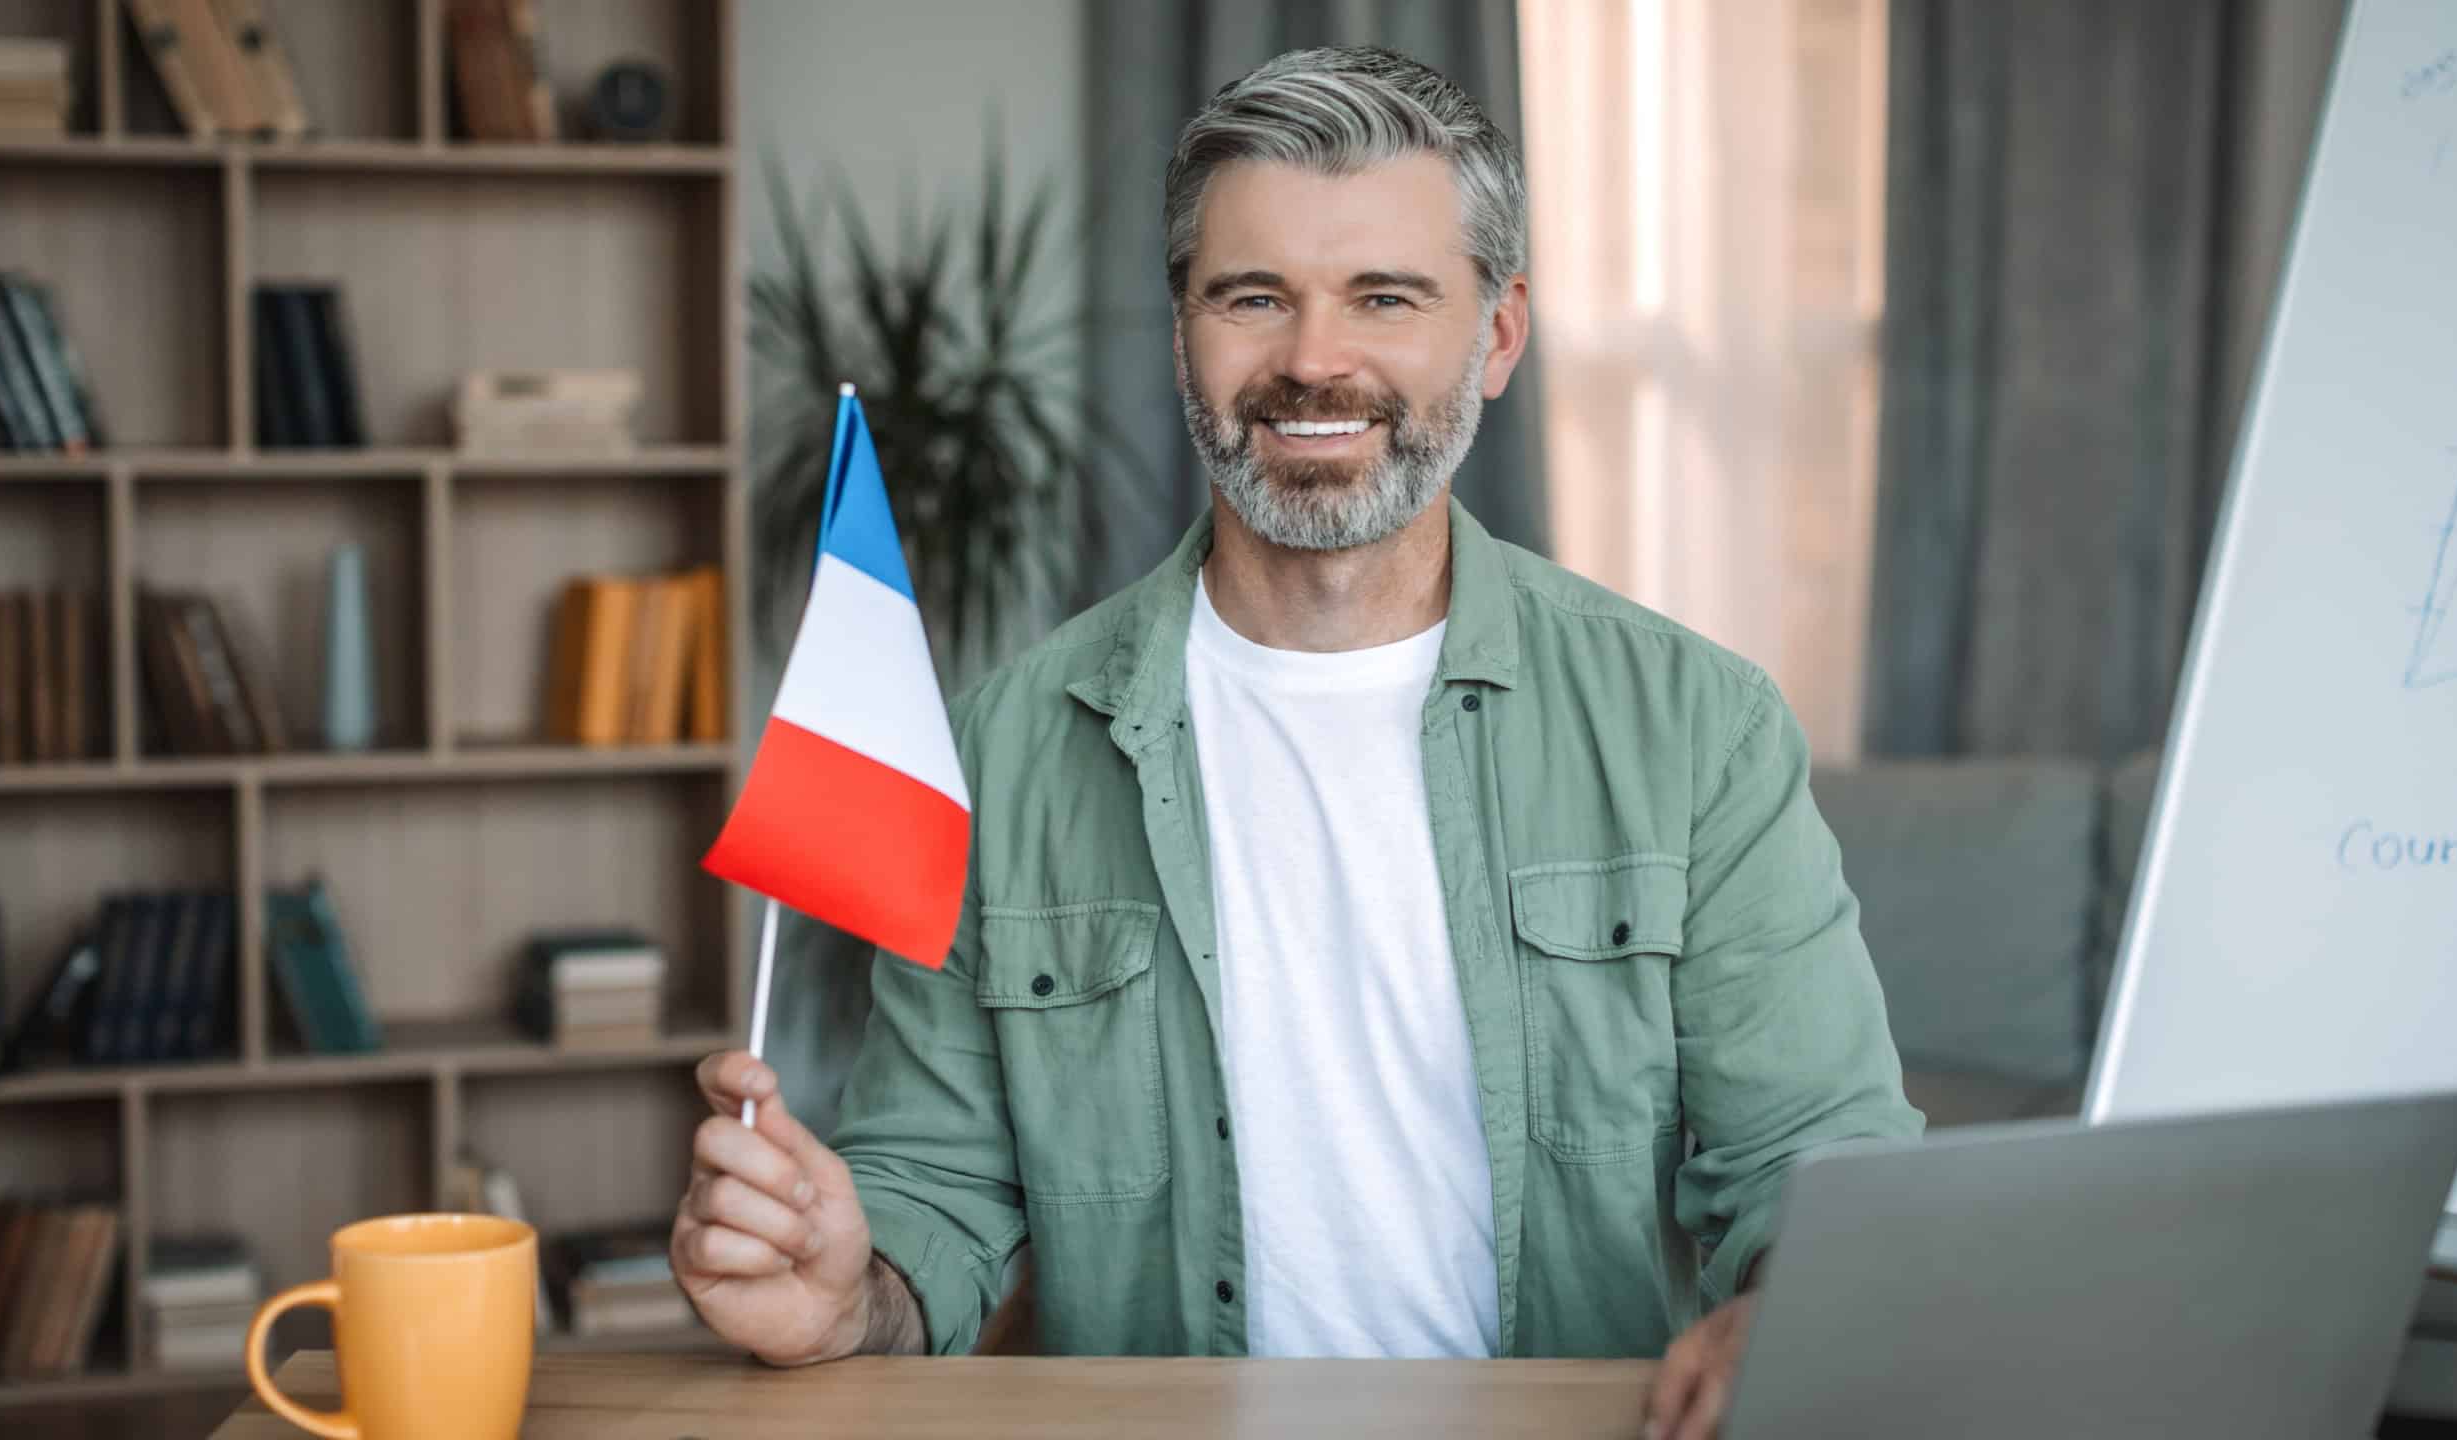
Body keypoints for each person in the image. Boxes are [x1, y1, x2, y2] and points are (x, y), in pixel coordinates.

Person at [671, 44, 1921, 1440]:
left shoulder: (1700, 729)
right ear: (1182, 332)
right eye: (1253, 297)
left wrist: (1788, 1311)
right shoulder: (1008, 746)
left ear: (1498, 337)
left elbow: (1820, 1167)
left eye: (1384, 297)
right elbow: (930, 1194)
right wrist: (849, 1293)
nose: (1313, 359)